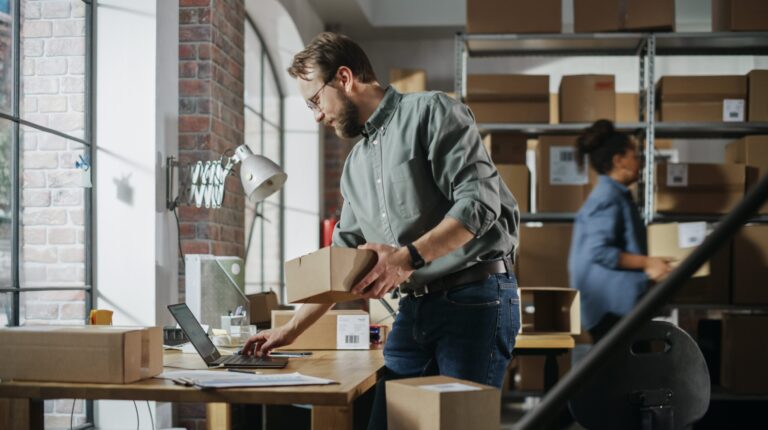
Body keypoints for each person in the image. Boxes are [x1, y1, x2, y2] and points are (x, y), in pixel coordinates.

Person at [242, 32, 520, 429]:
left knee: (460, 424)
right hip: (416, 308)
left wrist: (406, 259)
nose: (317, 116)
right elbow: (339, 261)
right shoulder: (355, 165)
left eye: (315, 100)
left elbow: (479, 205)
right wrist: (289, 330)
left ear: (344, 78)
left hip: (475, 298)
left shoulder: (432, 111)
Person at [568, 120, 674, 343]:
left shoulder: (617, 195)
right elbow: (599, 251)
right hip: (611, 313)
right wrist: (647, 263)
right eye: (634, 155)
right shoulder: (607, 198)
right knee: (625, 377)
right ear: (619, 161)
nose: (639, 161)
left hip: (618, 310)